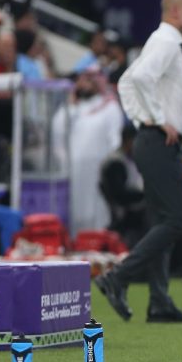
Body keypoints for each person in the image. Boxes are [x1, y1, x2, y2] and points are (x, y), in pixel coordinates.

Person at [95, 0, 182, 323]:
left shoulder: (162, 40)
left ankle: (158, 301)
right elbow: (139, 78)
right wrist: (157, 121)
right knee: (178, 220)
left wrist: (147, 120)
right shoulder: (168, 41)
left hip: (154, 141)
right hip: (158, 143)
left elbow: (127, 82)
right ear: (174, 11)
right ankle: (118, 276)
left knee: (162, 221)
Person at [52, 68, 124, 236]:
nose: (85, 83)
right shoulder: (71, 107)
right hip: (73, 173)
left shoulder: (109, 106)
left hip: (97, 171)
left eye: (90, 79)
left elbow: (115, 141)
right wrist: (71, 105)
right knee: (75, 211)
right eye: (82, 79)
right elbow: (57, 132)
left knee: (97, 211)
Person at [99, 124, 146, 248]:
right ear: (129, 141)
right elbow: (120, 194)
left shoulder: (130, 159)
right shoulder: (116, 162)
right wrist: (145, 195)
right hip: (122, 219)